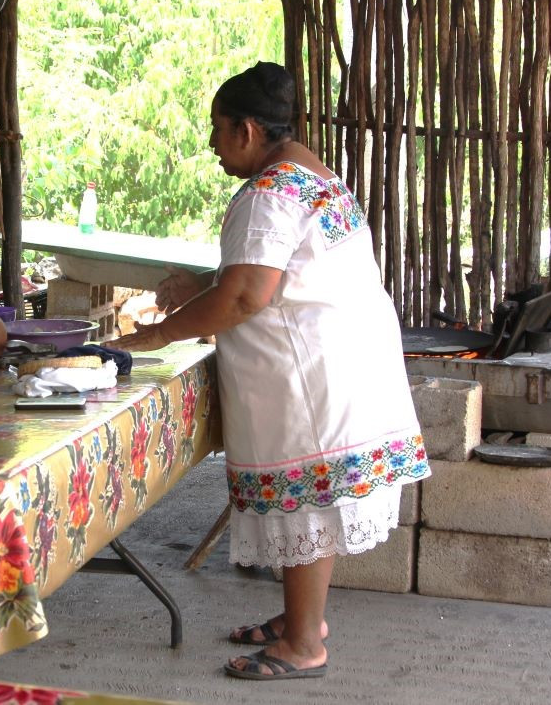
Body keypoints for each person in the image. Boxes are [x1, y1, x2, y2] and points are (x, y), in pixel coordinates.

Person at [104, 62, 430, 680]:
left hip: (306, 376)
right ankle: (301, 620)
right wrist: (202, 284)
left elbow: (247, 296)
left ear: (249, 130)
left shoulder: (265, 194)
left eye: (218, 130)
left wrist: (155, 336)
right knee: (316, 503)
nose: (212, 145)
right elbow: (281, 273)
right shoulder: (317, 178)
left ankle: (304, 644)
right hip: (343, 362)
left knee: (305, 502)